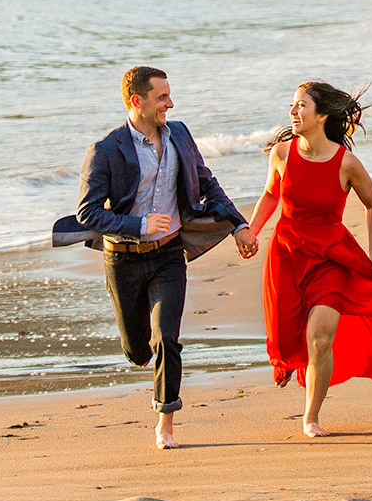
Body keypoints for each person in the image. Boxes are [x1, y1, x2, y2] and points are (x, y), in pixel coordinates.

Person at [52, 65, 256, 449]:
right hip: (123, 259)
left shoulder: (178, 133)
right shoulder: (106, 150)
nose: (170, 103)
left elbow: (207, 181)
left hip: (168, 256)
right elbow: (88, 213)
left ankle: (165, 420)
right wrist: (139, 224)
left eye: (169, 95)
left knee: (168, 339)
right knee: (138, 349)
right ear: (137, 101)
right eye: (162, 97)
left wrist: (237, 225)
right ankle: (138, 351)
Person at [243, 81, 372, 437]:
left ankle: (311, 417)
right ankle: (291, 365)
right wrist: (251, 231)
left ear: (321, 115)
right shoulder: (281, 155)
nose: (293, 111)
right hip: (287, 256)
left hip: (330, 259)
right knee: (284, 337)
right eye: (292, 104)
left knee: (320, 337)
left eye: (301, 105)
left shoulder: (346, 162)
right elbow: (270, 196)